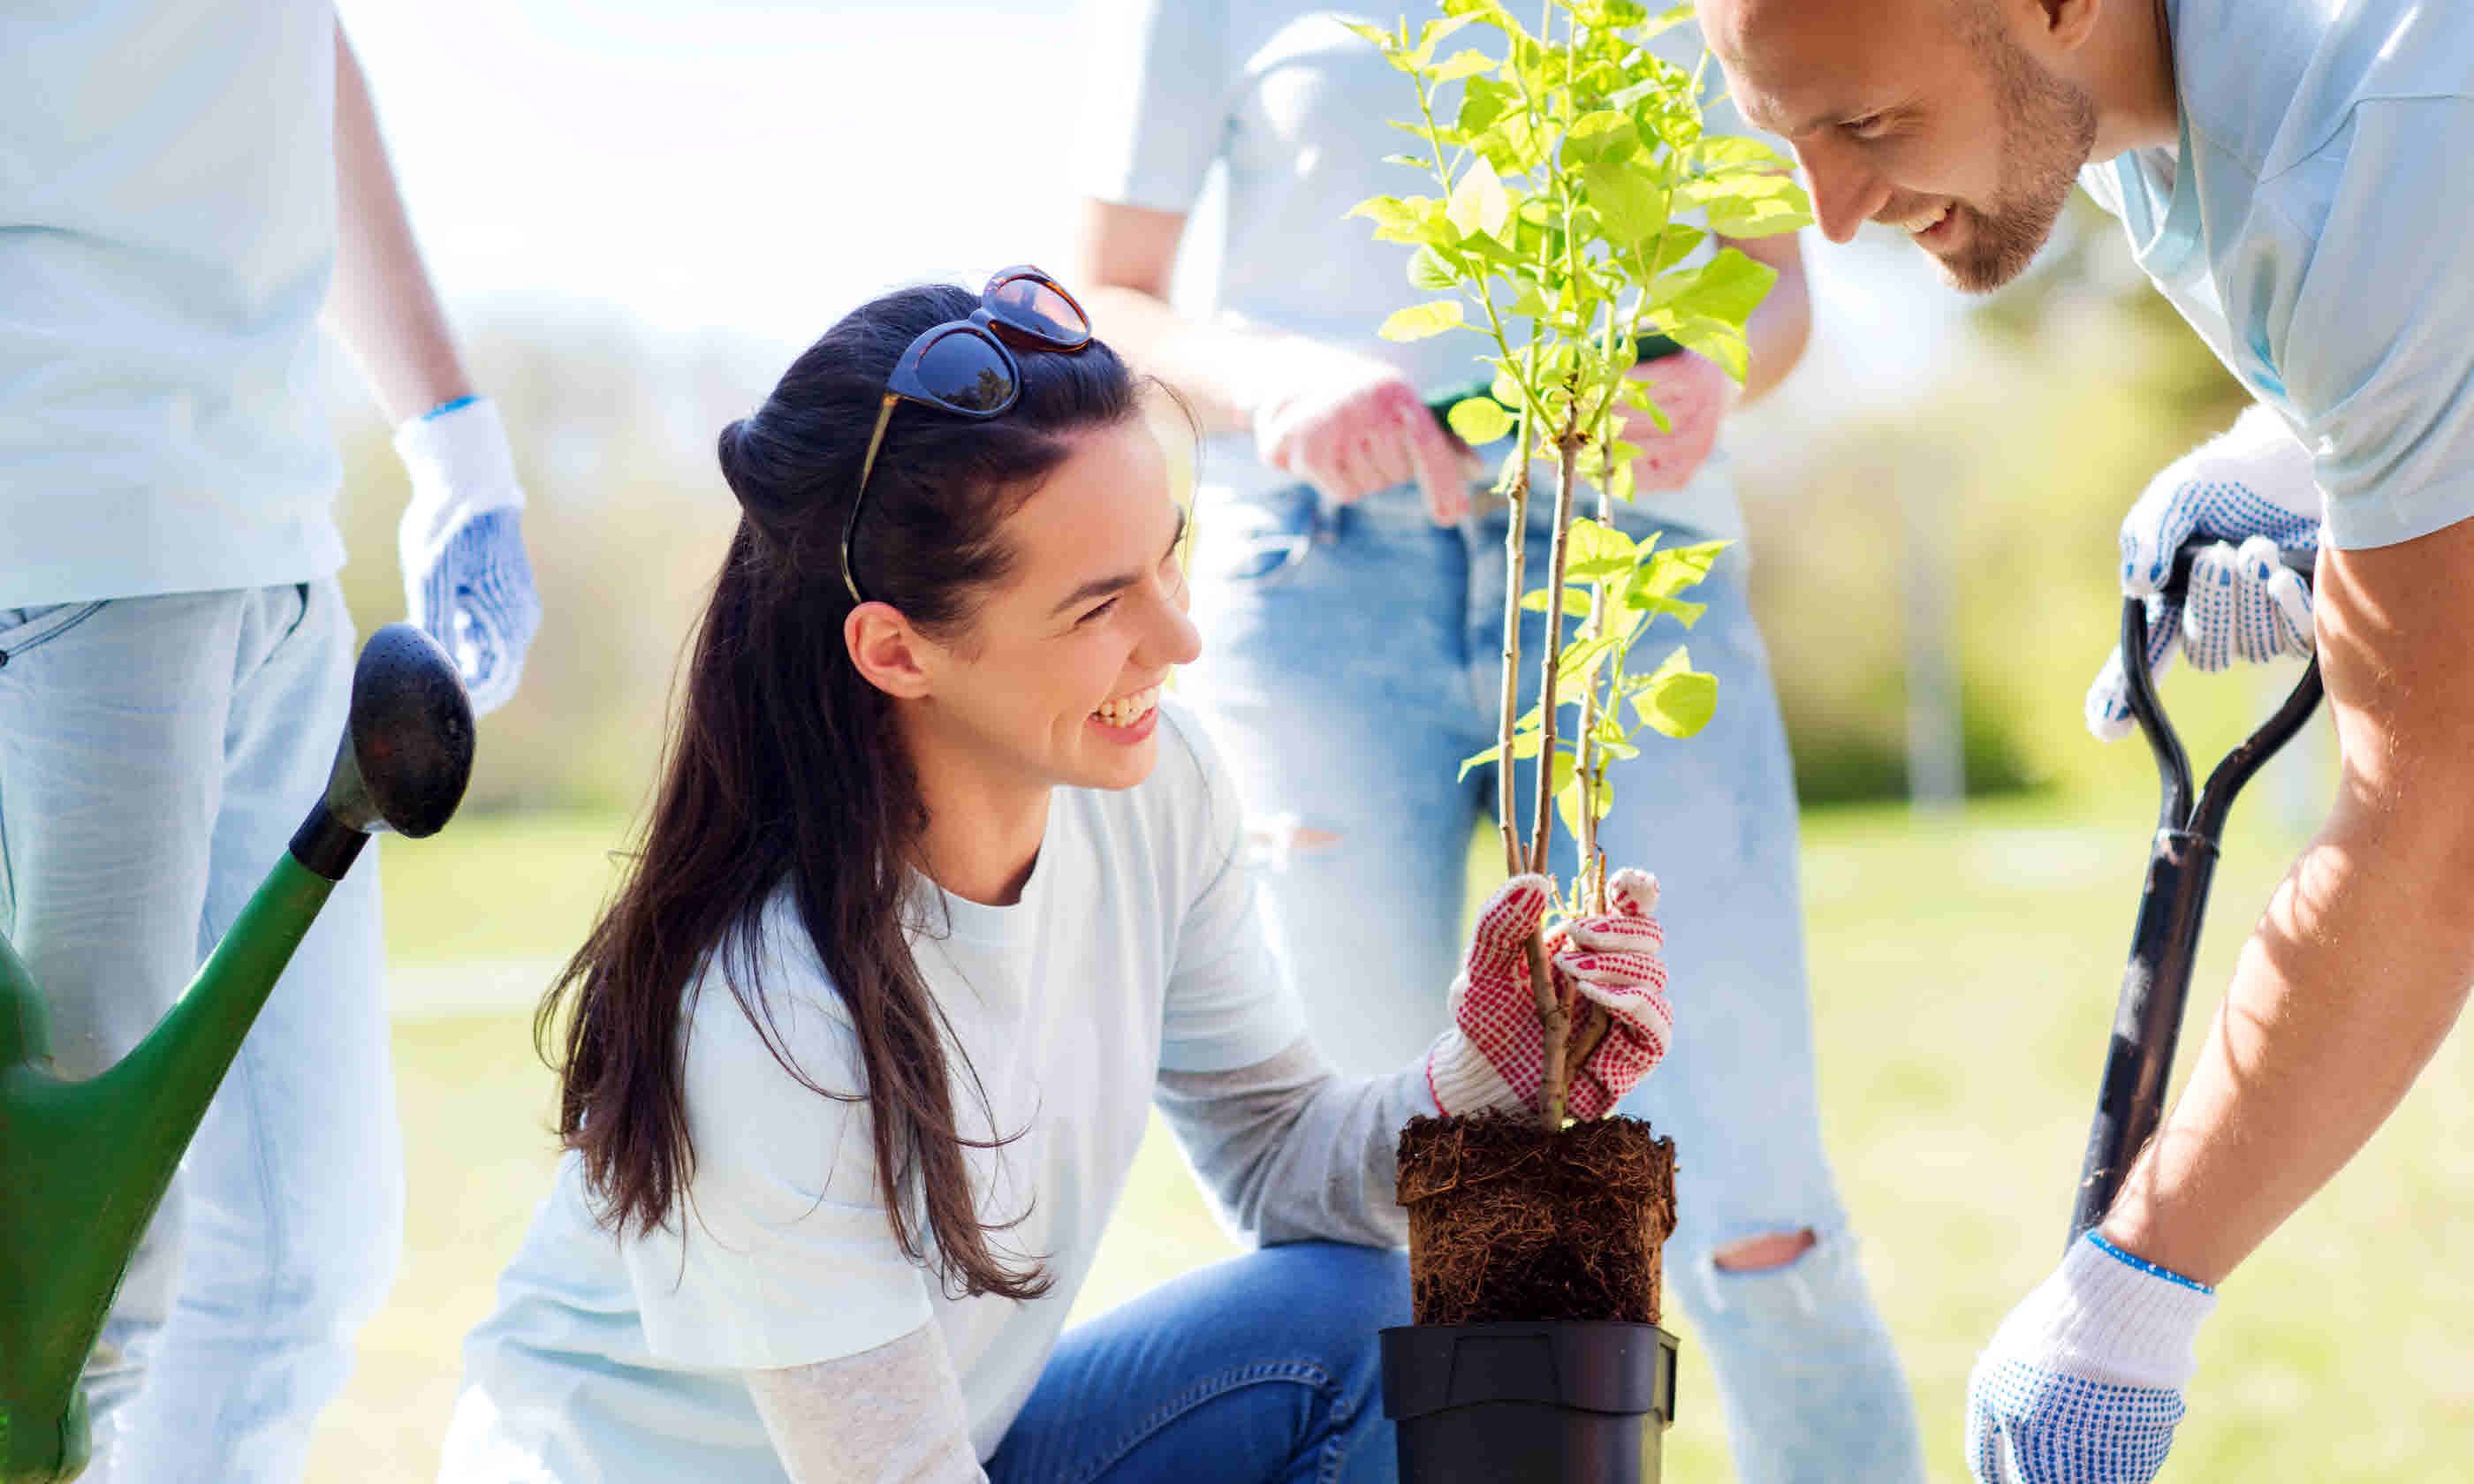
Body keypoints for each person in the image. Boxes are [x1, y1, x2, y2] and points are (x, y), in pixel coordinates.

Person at [436, 273, 1677, 1483]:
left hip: (947, 1451)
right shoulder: (774, 1014)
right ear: (898, 649)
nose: (1181, 640)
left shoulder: (1152, 791)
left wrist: (1496, 1078)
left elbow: (1281, 1157)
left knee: (1363, 1323)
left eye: (1168, 559)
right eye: (1100, 608)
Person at [1068, 5, 1926, 1480]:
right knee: (1359, 1208)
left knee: (1758, 1195)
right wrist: (1274, 379)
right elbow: (1102, 295)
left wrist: (1714, 368)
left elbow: (1773, 286)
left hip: (1628, 574)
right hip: (1320, 587)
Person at [1689, 0, 2474, 1476]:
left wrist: (2135, 1294)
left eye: (1867, 127)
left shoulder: (2376, 142)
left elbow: (2438, 832)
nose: (1836, 219)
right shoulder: (2116, 115)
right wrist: (2301, 448)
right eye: (1789, 140)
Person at [0, 4, 540, 1479]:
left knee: (301, 1258)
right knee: (64, 1308)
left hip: (268, 540)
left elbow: (290, 45)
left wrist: (450, 430)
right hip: (57, 540)